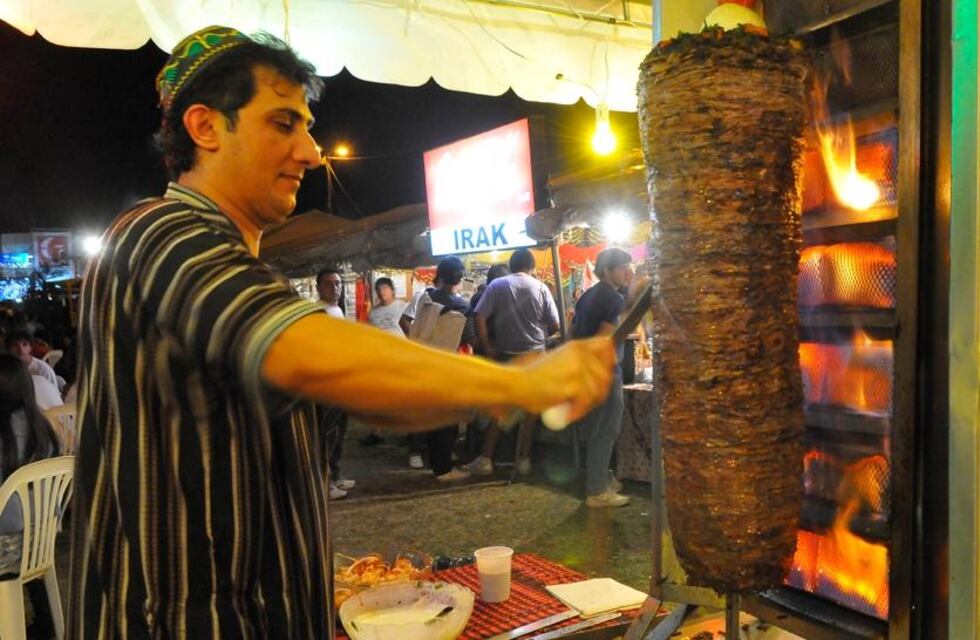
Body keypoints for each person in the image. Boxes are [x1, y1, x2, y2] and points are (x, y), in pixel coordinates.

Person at [68, 26, 614, 639]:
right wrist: (521, 381)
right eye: (282, 124)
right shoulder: (159, 232)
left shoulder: (234, 261)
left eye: (306, 126)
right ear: (204, 127)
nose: (310, 151)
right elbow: (312, 355)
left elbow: (375, 397)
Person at [469, 249, 560, 476]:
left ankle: (486, 460)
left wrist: (488, 346)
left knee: (500, 409)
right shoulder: (541, 288)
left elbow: (478, 315)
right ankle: (523, 460)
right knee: (529, 410)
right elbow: (556, 325)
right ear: (532, 266)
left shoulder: (497, 285)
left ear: (512, 265)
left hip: (505, 355)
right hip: (535, 357)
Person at [571, 247, 634, 508]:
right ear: (607, 270)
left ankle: (600, 479)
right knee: (606, 429)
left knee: (597, 428)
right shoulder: (612, 299)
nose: (627, 273)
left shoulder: (588, 295)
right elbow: (603, 339)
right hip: (604, 371)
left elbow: (574, 334)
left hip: (586, 370)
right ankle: (597, 490)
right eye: (622, 268)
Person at [0, 354, 59, 572]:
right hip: (42, 540)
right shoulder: (42, 426)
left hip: (9, 547)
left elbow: (7, 520)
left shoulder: (6, 433)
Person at [315, 267, 354, 499]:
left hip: (341, 379)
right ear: (319, 287)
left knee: (339, 432)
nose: (335, 288)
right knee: (326, 434)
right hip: (327, 382)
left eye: (338, 283)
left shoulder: (337, 309)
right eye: (329, 284)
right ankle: (326, 482)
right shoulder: (316, 313)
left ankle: (336, 475)